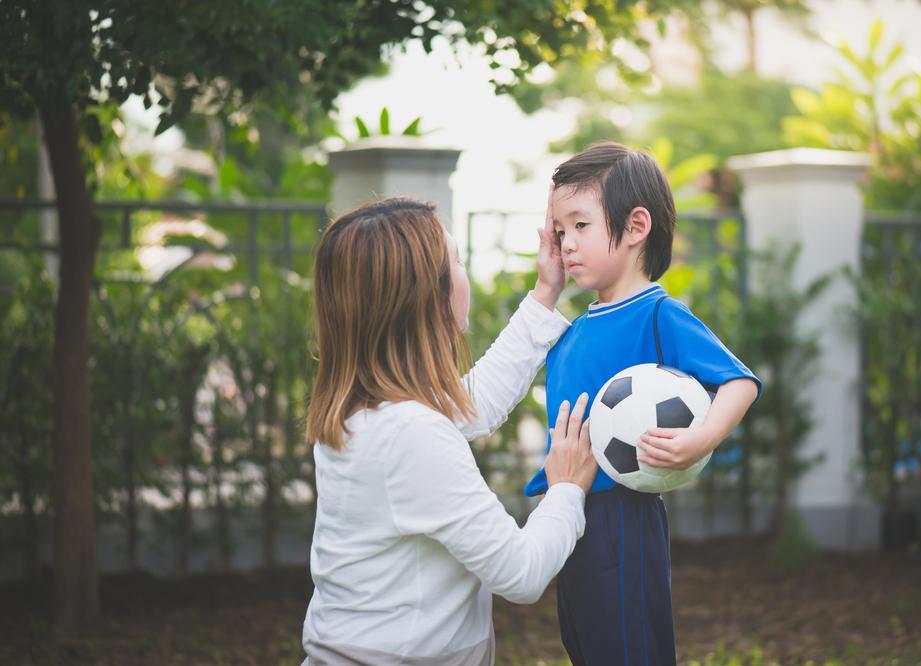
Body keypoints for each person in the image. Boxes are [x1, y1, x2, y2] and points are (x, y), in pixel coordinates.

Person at [301, 196, 598, 665]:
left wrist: (546, 292)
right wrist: (565, 489)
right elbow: (521, 573)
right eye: (457, 261)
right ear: (428, 296)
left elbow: (472, 403)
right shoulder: (410, 433)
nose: (464, 274)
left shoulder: (367, 409)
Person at [523, 143, 763, 665]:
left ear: (636, 226)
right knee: (585, 647)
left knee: (629, 652)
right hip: (570, 516)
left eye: (580, 226)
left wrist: (700, 438)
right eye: (559, 231)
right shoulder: (572, 330)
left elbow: (739, 382)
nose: (566, 243)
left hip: (622, 517)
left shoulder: (659, 315)